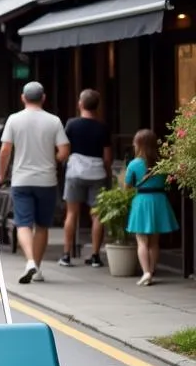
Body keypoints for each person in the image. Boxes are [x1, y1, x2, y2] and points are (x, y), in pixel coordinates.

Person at [0, 81, 69, 285]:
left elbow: (5, 151)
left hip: (21, 179)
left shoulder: (14, 119)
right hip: (47, 180)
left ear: (23, 98)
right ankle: (36, 267)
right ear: (43, 98)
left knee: (23, 223)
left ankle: (29, 261)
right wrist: (51, 160)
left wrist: (2, 174)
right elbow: (64, 151)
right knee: (42, 226)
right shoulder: (54, 121)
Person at [61, 89, 112, 268]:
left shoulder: (72, 124)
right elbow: (107, 157)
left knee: (71, 213)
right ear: (97, 106)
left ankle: (66, 255)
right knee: (97, 215)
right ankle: (96, 255)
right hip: (97, 173)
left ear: (80, 104)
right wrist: (107, 174)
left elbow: (64, 150)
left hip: (75, 171)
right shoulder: (103, 127)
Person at [125, 129, 178, 286]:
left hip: (142, 200)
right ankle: (152, 270)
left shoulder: (134, 164)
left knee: (141, 241)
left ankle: (146, 272)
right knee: (154, 242)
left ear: (138, 144)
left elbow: (127, 186)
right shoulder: (162, 162)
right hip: (159, 200)